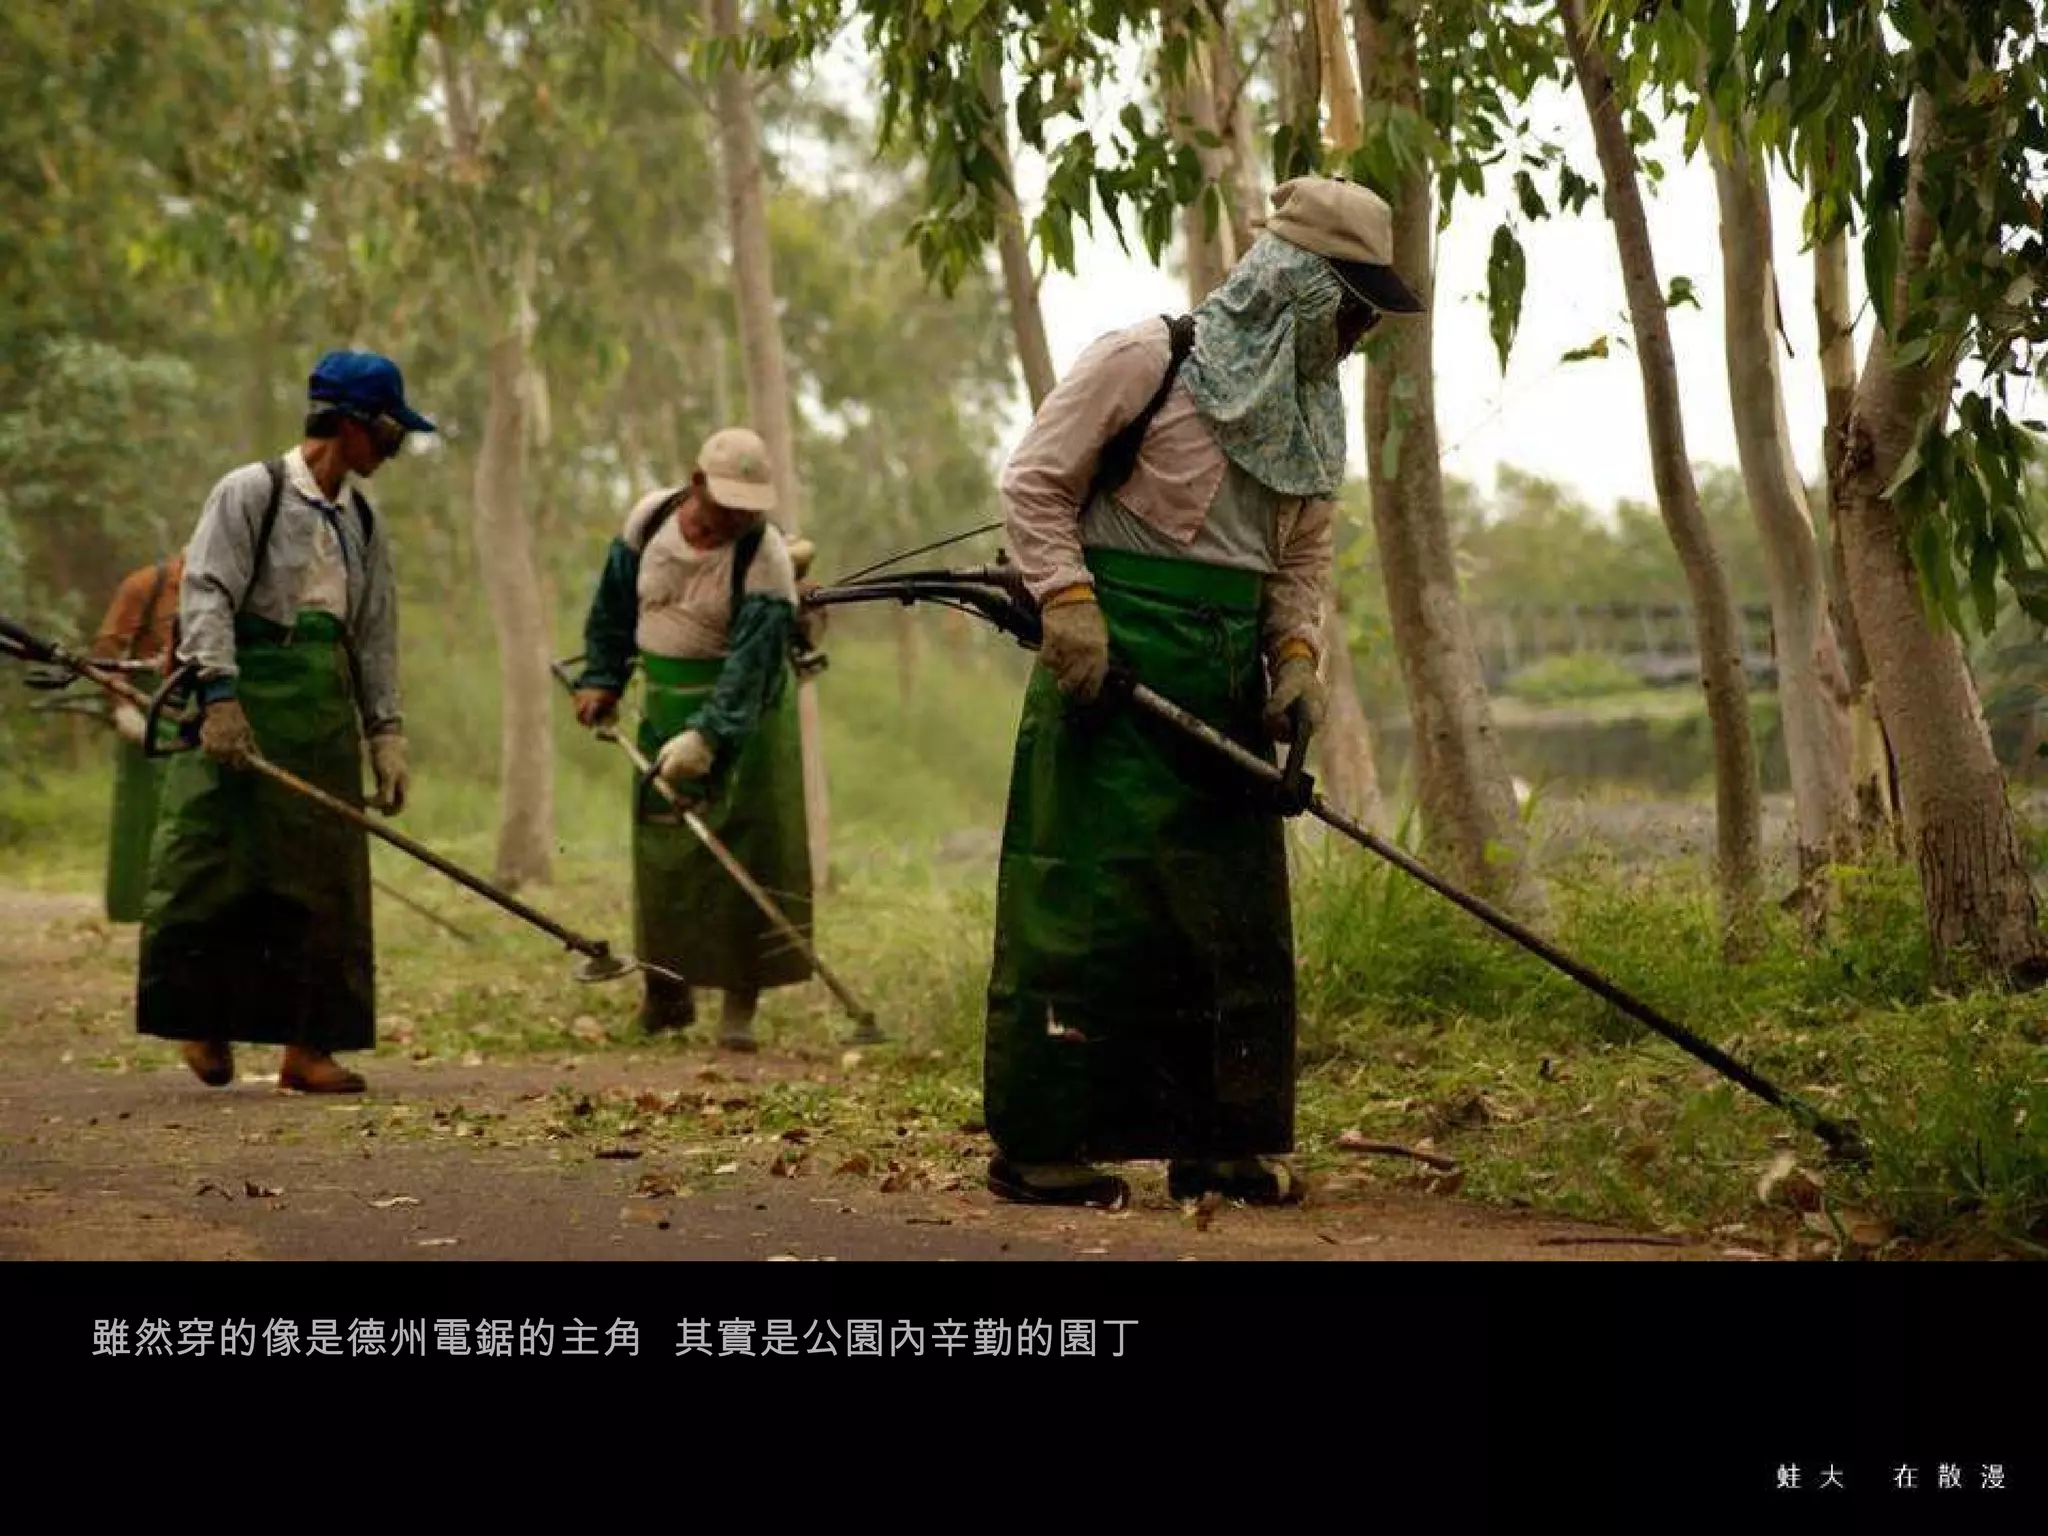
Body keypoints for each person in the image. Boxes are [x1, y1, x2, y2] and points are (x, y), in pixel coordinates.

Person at [984, 175, 1424, 1207]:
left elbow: (1300, 560)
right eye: (1350, 302)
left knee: (1224, 923)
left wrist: (1296, 662)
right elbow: (1033, 484)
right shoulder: (1145, 360)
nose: (1359, 328)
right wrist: (1068, 603)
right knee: (1084, 910)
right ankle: (1042, 1142)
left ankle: (1216, 1141)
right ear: (1296, 285)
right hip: (1109, 672)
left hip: (1224, 686)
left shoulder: (1315, 417)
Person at [137, 350, 432, 1094]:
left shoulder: (362, 519)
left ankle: (309, 1047)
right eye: (390, 434)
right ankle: (203, 1025)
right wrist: (220, 698)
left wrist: (385, 733)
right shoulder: (251, 492)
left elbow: (374, 632)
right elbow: (205, 592)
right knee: (220, 869)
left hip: (322, 707)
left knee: (321, 883)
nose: (392, 451)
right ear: (352, 425)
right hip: (244, 698)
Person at [572, 426, 814, 1051]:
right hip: (663, 700)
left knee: (745, 855)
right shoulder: (649, 522)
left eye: (746, 509)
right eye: (723, 504)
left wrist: (708, 737)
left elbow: (753, 665)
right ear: (697, 483)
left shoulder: (763, 558)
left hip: (744, 716)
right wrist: (602, 678)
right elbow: (613, 608)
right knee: (665, 854)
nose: (733, 518)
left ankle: (740, 1007)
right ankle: (666, 993)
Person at [89, 553, 185, 923]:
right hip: (149, 706)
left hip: (195, 703)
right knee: (145, 808)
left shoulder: (225, 586)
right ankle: (135, 906)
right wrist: (121, 707)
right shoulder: (148, 583)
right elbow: (106, 648)